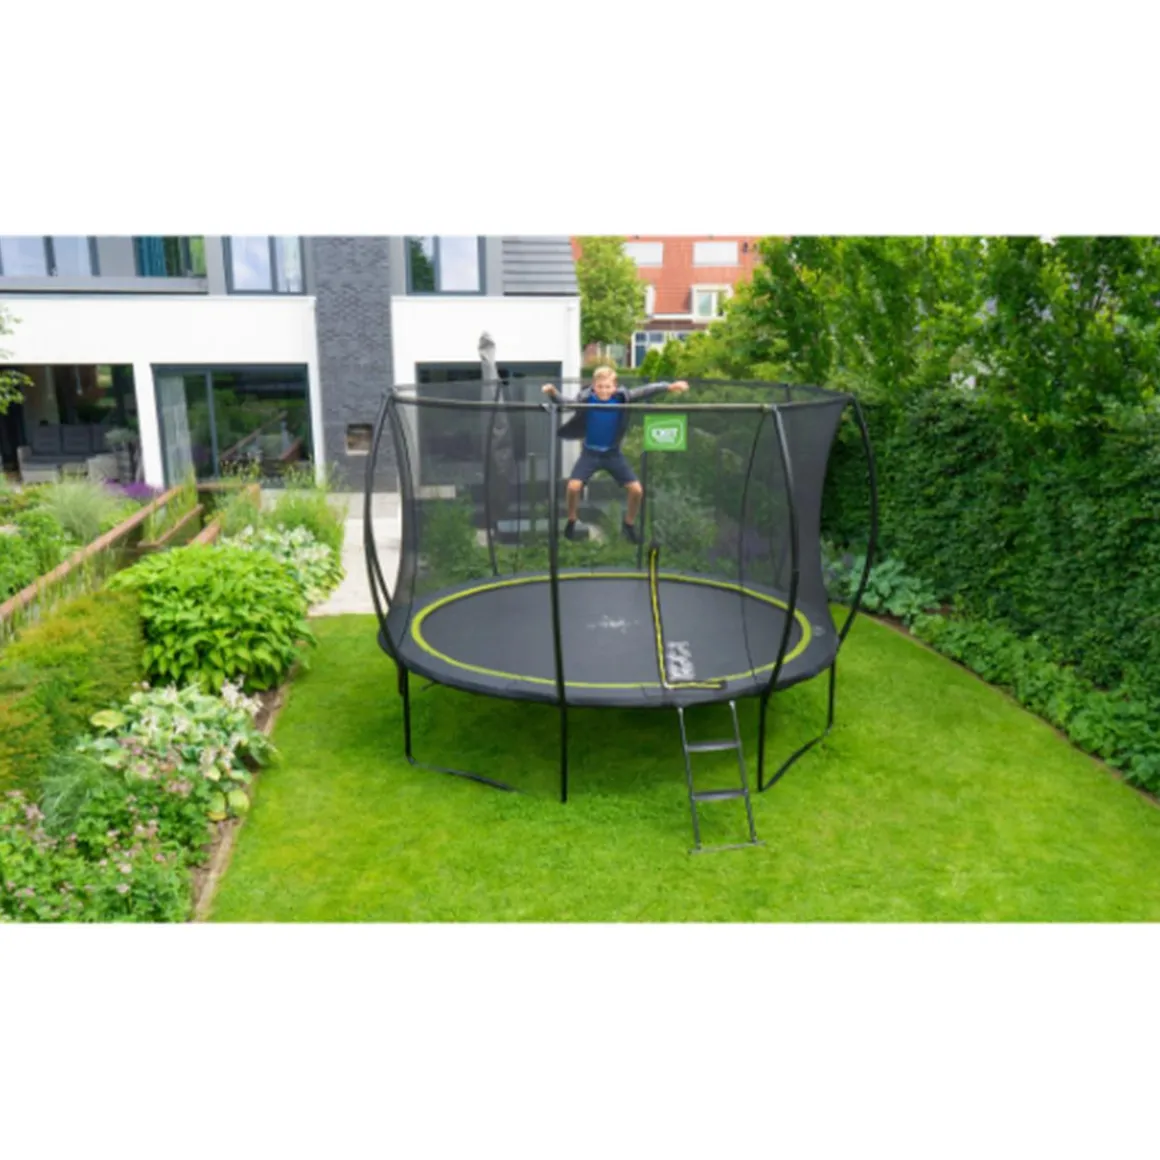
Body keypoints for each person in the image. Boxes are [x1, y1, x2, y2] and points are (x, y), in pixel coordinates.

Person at [542, 366, 689, 543]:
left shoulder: (623, 397)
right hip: (590, 454)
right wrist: (552, 393)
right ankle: (572, 520)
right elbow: (566, 403)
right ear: (594, 386)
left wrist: (669, 386)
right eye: (600, 386)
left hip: (613, 454)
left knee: (636, 490)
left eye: (608, 387)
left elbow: (646, 390)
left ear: (615, 386)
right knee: (573, 487)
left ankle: (628, 525)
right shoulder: (586, 398)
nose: (604, 390)